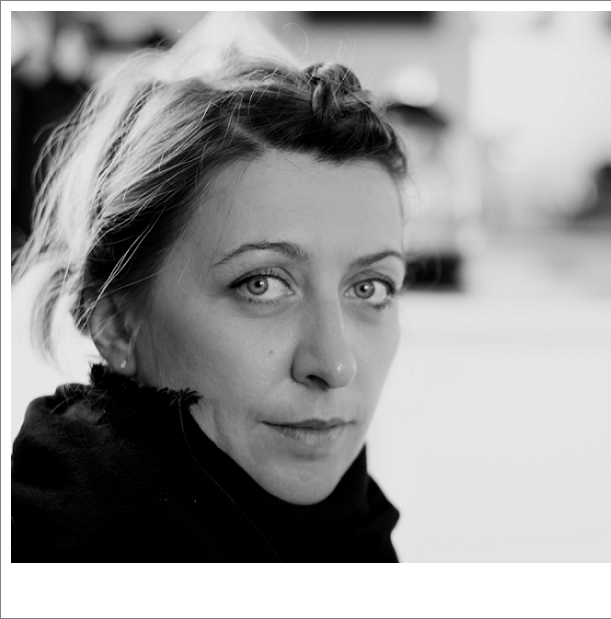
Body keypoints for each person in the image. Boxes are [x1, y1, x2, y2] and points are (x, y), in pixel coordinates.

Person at [11, 16, 408, 562]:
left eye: (370, 288)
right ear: (118, 325)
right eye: (261, 284)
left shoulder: (351, 535)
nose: (336, 366)